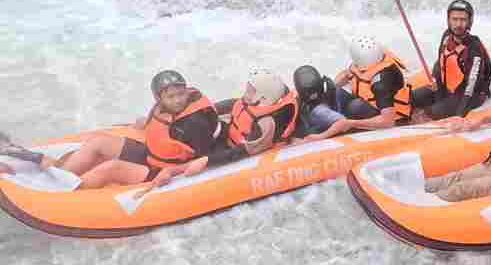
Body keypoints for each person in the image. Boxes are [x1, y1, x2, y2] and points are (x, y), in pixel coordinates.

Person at [59, 70, 229, 189]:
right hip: (152, 155)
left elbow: (206, 158)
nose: (178, 100)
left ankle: (65, 195)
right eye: (171, 97)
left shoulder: (194, 123)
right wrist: (146, 123)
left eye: (181, 94)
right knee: (98, 143)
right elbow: (164, 125)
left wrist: (172, 171)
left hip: (165, 170)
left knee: (110, 168)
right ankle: (59, 178)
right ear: (158, 98)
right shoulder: (165, 109)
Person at [149, 69, 297, 184]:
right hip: (226, 136)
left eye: (250, 91)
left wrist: (203, 162)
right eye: (171, 97)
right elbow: (235, 104)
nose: (177, 101)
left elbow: (244, 150)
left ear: (263, 97)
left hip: (229, 149)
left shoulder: (266, 125)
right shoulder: (254, 102)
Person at [302, 36, 412, 140]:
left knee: (354, 107)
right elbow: (347, 74)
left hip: (390, 113)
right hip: (370, 99)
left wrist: (351, 123)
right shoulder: (369, 59)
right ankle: (324, 121)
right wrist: (330, 90)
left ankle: (334, 128)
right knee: (337, 92)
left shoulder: (381, 84)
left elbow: (388, 121)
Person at [411, 0, 491, 120]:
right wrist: (435, 82)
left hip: (468, 95)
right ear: (448, 20)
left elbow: (470, 87)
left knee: (427, 114)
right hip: (448, 87)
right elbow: (440, 63)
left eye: (463, 20)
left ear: (469, 22)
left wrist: (459, 115)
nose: (458, 24)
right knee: (410, 99)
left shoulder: (474, 49)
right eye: (454, 19)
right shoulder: (446, 36)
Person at [291, 64, 343, 137]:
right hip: (327, 115)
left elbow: (343, 121)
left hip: (321, 118)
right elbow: (343, 121)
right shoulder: (320, 111)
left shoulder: (318, 110)